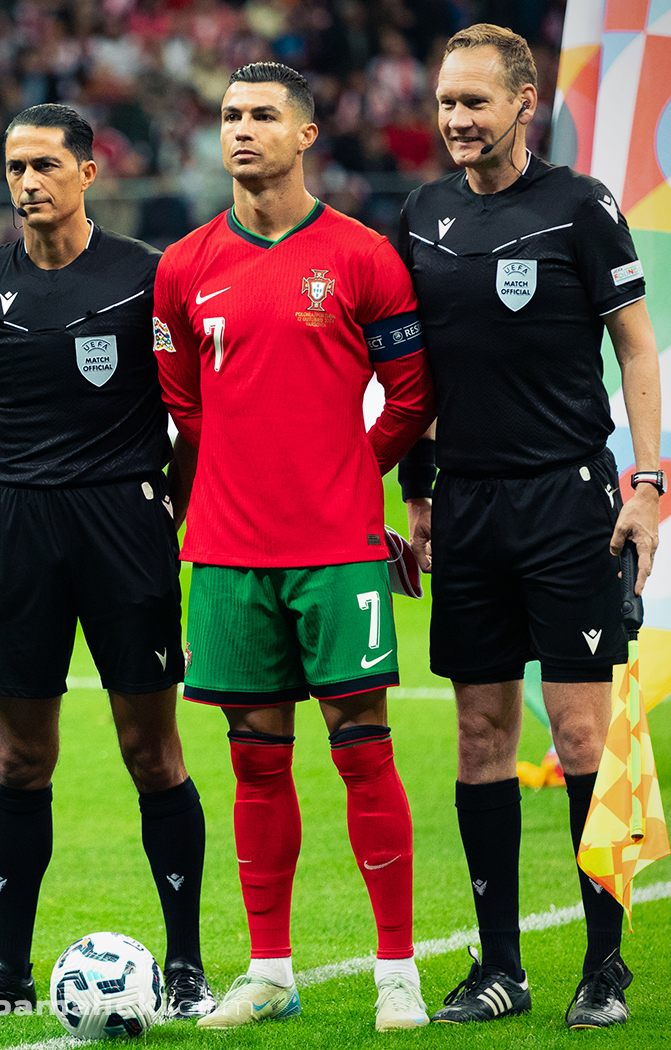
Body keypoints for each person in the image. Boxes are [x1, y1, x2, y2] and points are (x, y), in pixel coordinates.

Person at [153, 62, 435, 1032]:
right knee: (253, 760)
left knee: (362, 751)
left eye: (263, 116)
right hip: (226, 552)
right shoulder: (184, 266)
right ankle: (268, 969)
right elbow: (183, 401)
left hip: (337, 547)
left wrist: (348, 468)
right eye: (230, 116)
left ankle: (396, 970)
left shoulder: (361, 256)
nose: (242, 130)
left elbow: (410, 392)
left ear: (306, 135)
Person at [395, 24, 663, 1030]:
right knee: (477, 733)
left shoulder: (580, 210)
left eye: (475, 101)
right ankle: (498, 966)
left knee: (582, 728)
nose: (457, 120)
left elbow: (634, 347)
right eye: (445, 102)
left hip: (567, 502)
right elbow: (410, 381)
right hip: (464, 506)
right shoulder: (419, 220)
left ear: (523, 101)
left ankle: (604, 964)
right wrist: (415, 499)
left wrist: (645, 483)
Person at [0, 104, 214, 1021]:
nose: (27, 182)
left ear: (89, 172)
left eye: (46, 164)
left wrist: (160, 501)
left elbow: (194, 415)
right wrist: (15, 491)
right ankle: (8, 971)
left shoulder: (144, 278)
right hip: (21, 532)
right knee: (21, 759)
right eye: (14, 167)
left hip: (125, 526)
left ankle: (185, 962)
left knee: (151, 750)